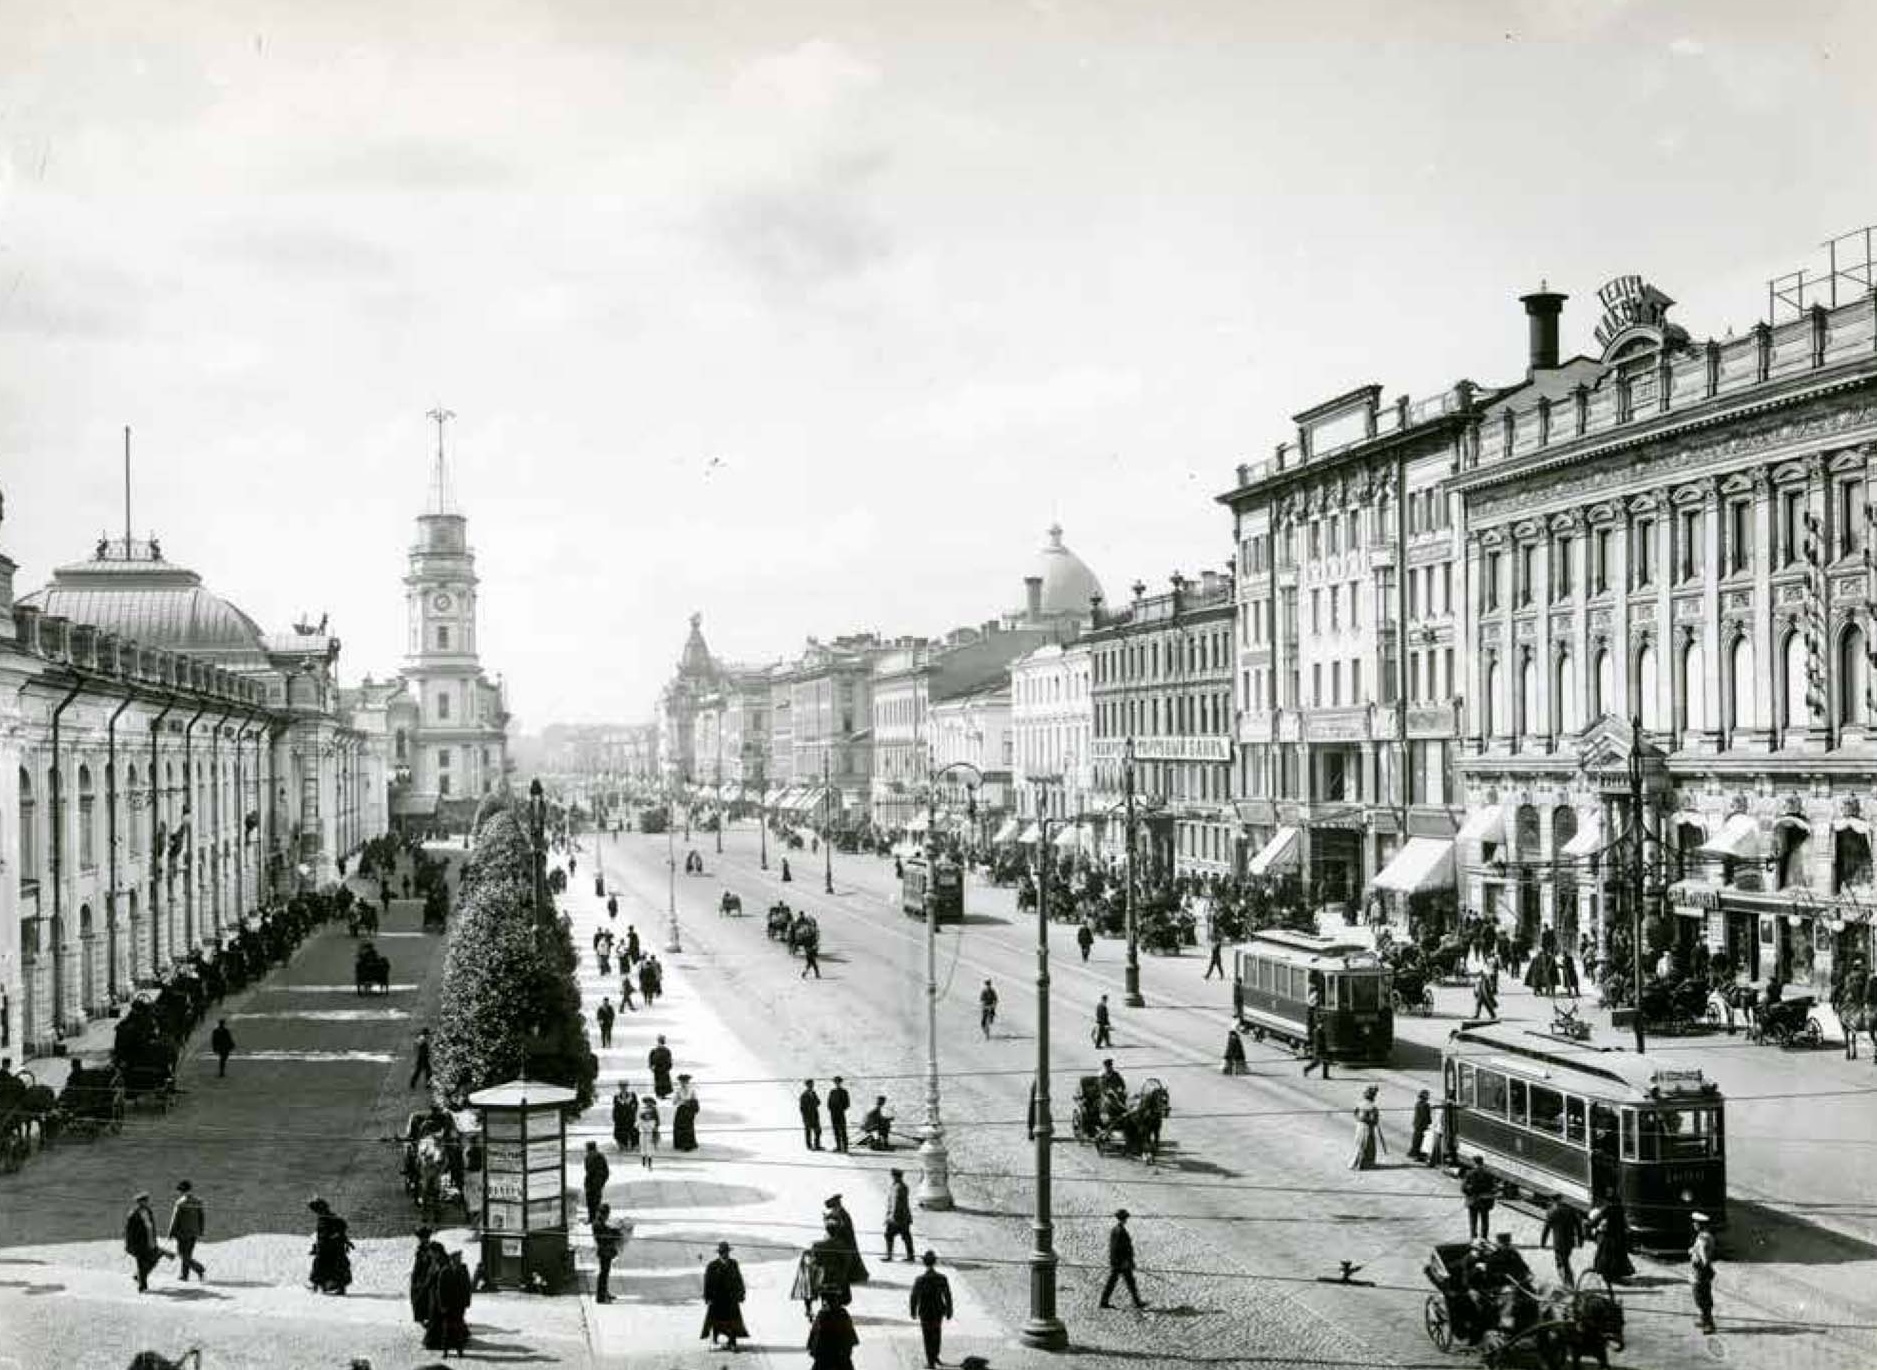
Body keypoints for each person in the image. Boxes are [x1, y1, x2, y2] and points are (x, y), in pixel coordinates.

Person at [909, 1250, 954, 1370]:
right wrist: (949, 1310)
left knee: (927, 1335)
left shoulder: (920, 1280)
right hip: (938, 1311)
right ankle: (935, 1355)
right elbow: (947, 1295)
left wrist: (913, 1311)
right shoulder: (942, 1278)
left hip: (925, 1311)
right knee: (936, 1333)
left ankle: (930, 1361)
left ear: (924, 1263)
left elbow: (914, 1297)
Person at [701, 1240, 749, 1349]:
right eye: (722, 1252)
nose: (724, 1254)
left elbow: (738, 1279)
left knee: (732, 1321)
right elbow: (707, 1282)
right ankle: (714, 1341)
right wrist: (707, 1297)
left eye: (726, 1252)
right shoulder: (712, 1265)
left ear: (728, 1252)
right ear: (719, 1253)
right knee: (716, 1321)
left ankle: (732, 1342)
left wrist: (741, 1293)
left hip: (730, 1298)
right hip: (717, 1299)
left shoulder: (733, 1264)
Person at [1099, 1208, 1146, 1309]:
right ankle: (1137, 1302)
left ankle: (1104, 1302)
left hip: (1118, 1262)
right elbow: (1119, 1248)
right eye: (1125, 1218)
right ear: (1124, 1219)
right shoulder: (1121, 1231)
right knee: (1127, 1282)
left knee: (1120, 1282)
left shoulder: (1115, 1229)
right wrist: (1125, 1262)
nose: (1126, 1220)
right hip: (1122, 1263)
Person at [308, 1197, 353, 1294]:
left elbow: (323, 1236)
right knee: (337, 1267)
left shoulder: (325, 1219)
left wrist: (318, 1246)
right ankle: (335, 1287)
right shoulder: (333, 1218)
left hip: (327, 1248)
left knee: (321, 1266)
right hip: (336, 1248)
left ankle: (319, 1286)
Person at [1587, 1190, 1635, 1283]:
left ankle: (1608, 1276)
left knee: (1607, 1257)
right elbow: (1624, 1223)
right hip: (1619, 1237)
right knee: (1618, 1257)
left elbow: (1596, 1220)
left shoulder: (1607, 1209)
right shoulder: (1620, 1209)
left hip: (1609, 1236)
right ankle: (1616, 1276)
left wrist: (1590, 1225)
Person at [124, 1191, 167, 1292]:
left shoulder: (148, 1211)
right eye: (144, 1201)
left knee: (154, 1259)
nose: (146, 1202)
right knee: (141, 1263)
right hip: (138, 1243)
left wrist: (155, 1241)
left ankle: (139, 1277)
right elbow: (129, 1231)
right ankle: (142, 1286)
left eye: (146, 1200)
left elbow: (151, 1227)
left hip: (150, 1240)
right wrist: (129, 1244)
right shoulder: (133, 1214)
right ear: (139, 1202)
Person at [808, 1287, 859, 1369]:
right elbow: (850, 1340)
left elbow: (813, 1342)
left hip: (827, 1360)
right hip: (838, 1360)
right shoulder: (841, 1315)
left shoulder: (823, 1316)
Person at [1540, 1193, 1584, 1286]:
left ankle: (1568, 1283)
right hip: (1569, 1242)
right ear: (1561, 1199)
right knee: (1565, 1261)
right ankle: (1569, 1281)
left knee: (1561, 1263)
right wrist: (1580, 1241)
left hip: (1558, 1243)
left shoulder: (1551, 1212)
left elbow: (1546, 1228)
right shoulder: (1570, 1210)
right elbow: (1579, 1226)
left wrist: (1543, 1243)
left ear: (1553, 1201)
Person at [167, 1180, 207, 1282]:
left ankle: (199, 1268)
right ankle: (184, 1275)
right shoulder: (198, 1202)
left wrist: (170, 1233)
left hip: (182, 1233)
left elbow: (175, 1219)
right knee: (188, 1254)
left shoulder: (180, 1203)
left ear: (182, 1191)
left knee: (181, 1254)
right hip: (194, 1232)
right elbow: (201, 1217)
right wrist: (201, 1230)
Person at [435, 1249, 473, 1357]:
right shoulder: (444, 1271)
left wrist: (466, 1302)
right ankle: (445, 1351)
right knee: (447, 1328)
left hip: (459, 1305)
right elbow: (440, 1290)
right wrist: (442, 1305)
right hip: (448, 1305)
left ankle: (459, 1350)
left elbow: (467, 1287)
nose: (458, 1260)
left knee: (459, 1327)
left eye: (459, 1258)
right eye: (456, 1258)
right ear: (451, 1259)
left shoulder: (463, 1270)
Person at [1689, 1210, 1718, 1333]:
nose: (1693, 1224)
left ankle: (1709, 1324)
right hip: (1701, 1270)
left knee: (1701, 1297)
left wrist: (1705, 1267)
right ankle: (1704, 1319)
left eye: (1695, 1223)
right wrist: (1692, 1250)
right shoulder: (1706, 1235)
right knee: (1703, 1296)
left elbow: (1704, 1256)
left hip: (1700, 1270)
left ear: (1700, 1224)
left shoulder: (1703, 1239)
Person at [592, 1203, 624, 1304]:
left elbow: (608, 1230)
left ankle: (604, 1292)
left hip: (606, 1251)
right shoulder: (597, 1224)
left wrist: (617, 1231)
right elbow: (605, 1236)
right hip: (604, 1251)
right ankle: (601, 1297)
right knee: (603, 1274)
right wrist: (615, 1236)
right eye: (607, 1214)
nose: (607, 1216)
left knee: (605, 1274)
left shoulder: (600, 1222)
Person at [1350, 1084, 1386, 1169]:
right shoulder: (1373, 1107)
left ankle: (1356, 1162)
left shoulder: (1360, 1104)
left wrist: (1360, 1119)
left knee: (1359, 1145)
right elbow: (1374, 1120)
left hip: (1360, 1127)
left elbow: (1355, 1114)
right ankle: (1366, 1163)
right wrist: (1371, 1121)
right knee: (1367, 1146)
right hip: (1367, 1128)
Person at [1462, 1155, 1497, 1241]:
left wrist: (1470, 1192)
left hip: (1473, 1200)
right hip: (1485, 1201)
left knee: (1473, 1220)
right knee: (1485, 1220)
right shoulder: (1489, 1174)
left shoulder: (1469, 1173)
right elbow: (1493, 1188)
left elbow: (1463, 1188)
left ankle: (1473, 1238)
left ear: (1474, 1162)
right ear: (1482, 1162)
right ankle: (1484, 1238)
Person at [884, 1168, 914, 1262]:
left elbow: (896, 1203)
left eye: (893, 1176)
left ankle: (889, 1256)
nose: (892, 1177)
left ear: (896, 1176)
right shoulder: (899, 1186)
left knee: (889, 1235)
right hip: (903, 1217)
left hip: (898, 1217)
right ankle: (910, 1256)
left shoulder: (898, 1187)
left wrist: (892, 1217)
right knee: (906, 1236)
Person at [1301, 981, 1331, 1078]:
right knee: (1317, 1061)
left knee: (1324, 1061)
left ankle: (1325, 1075)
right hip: (1319, 1048)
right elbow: (1318, 1041)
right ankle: (1306, 1069)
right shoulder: (1317, 1031)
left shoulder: (1319, 1029)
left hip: (1321, 1047)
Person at [583, 1140, 610, 1225]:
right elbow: (606, 1171)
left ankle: (591, 1218)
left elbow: (588, 1170)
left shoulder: (587, 1157)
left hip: (590, 1182)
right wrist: (602, 1182)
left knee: (590, 1201)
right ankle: (596, 1218)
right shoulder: (600, 1156)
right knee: (596, 1201)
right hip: (597, 1182)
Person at [672, 1074, 700, 1151]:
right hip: (681, 1110)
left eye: (685, 1082)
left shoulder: (692, 1090)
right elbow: (674, 1102)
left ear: (688, 1082)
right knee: (679, 1126)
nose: (683, 1084)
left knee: (688, 1126)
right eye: (682, 1082)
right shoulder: (678, 1090)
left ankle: (689, 1144)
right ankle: (680, 1144)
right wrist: (681, 1101)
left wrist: (690, 1103)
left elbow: (695, 1099)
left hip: (689, 1110)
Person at [612, 1081, 639, 1153]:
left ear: (627, 1086)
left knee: (633, 1132)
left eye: (624, 1086)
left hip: (630, 1117)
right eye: (621, 1086)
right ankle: (623, 1145)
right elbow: (615, 1108)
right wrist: (615, 1117)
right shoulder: (617, 1096)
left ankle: (634, 1146)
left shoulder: (632, 1095)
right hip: (620, 1118)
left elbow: (636, 1105)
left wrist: (633, 1113)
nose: (623, 1088)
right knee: (620, 1132)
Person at [827, 1076, 852, 1153]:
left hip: (841, 1114)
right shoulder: (832, 1092)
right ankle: (838, 1147)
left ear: (840, 1082)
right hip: (833, 1114)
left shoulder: (844, 1092)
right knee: (836, 1130)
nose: (837, 1083)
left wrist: (841, 1109)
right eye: (835, 1082)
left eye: (838, 1082)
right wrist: (832, 1110)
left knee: (843, 1130)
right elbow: (829, 1103)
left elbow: (847, 1103)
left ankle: (845, 1147)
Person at [637, 1092, 661, 1169]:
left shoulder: (654, 1110)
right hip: (643, 1130)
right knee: (643, 1146)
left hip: (650, 1130)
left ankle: (650, 1162)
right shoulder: (642, 1110)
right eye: (646, 1102)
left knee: (650, 1147)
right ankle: (643, 1160)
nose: (648, 1104)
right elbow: (639, 1120)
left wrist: (655, 1130)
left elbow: (656, 1122)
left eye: (649, 1102)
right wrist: (639, 1125)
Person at [800, 1079, 824, 1151]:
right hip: (808, 1116)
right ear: (807, 1085)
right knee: (808, 1131)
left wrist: (814, 1103)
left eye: (812, 1085)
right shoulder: (803, 1095)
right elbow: (802, 1108)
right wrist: (805, 1117)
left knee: (818, 1131)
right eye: (809, 1085)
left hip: (815, 1115)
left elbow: (818, 1102)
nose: (811, 1086)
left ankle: (817, 1145)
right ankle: (809, 1146)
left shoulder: (814, 1093)